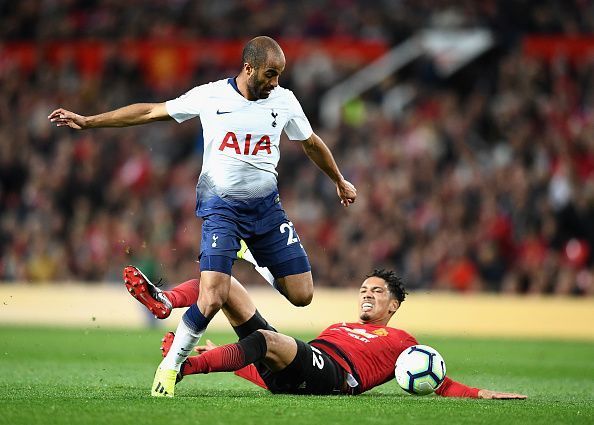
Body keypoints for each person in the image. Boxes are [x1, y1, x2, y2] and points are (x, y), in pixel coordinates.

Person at [48, 36, 357, 396]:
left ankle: (249, 254)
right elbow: (150, 111)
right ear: (248, 68)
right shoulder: (211, 96)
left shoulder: (284, 101)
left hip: (267, 211)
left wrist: (339, 180)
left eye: (279, 75)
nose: (275, 82)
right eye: (270, 74)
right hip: (221, 210)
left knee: (303, 295)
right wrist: (89, 122)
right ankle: (169, 368)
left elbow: (310, 142)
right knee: (212, 297)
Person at [124, 262, 527, 399]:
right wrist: (228, 359)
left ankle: (184, 368)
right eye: (364, 289)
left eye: (377, 292)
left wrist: (479, 393)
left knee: (265, 340)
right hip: (308, 365)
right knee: (222, 282)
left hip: (338, 377)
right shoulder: (339, 326)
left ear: (394, 306)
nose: (367, 295)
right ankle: (165, 301)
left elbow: (436, 381)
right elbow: (280, 374)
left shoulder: (405, 343)